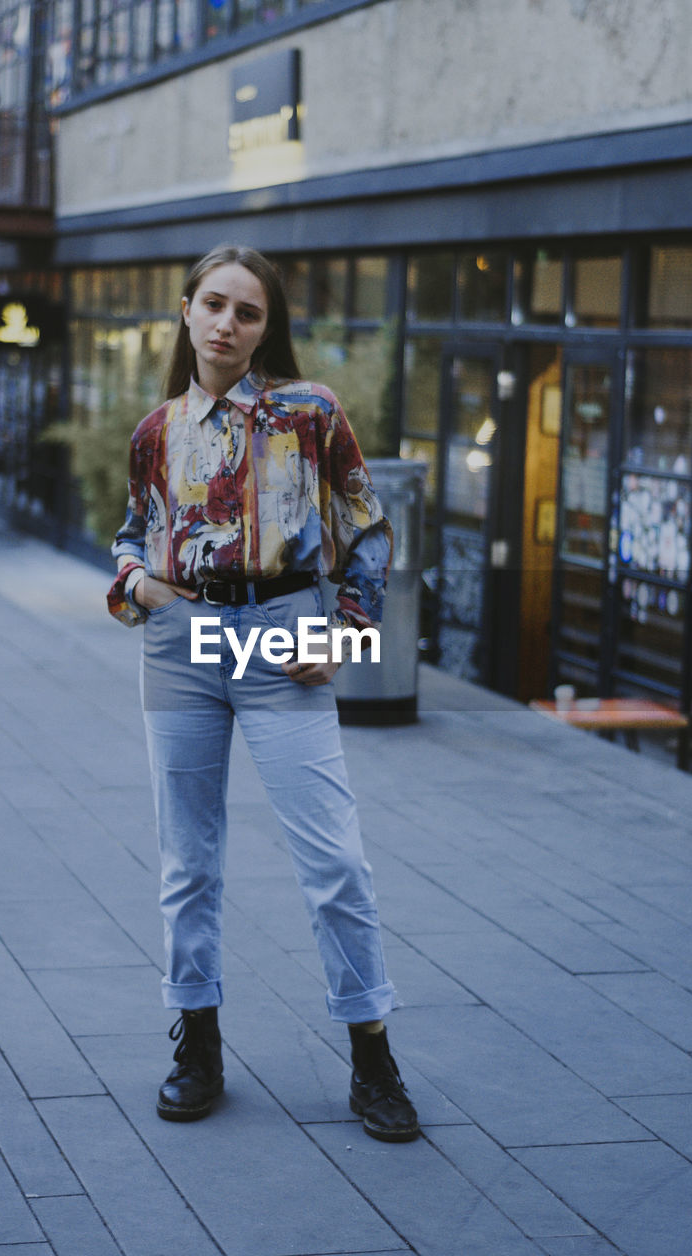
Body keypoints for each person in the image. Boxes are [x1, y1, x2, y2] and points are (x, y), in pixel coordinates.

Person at [107, 245, 419, 1143]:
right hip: (182, 648)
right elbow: (134, 532)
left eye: (247, 312)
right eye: (213, 305)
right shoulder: (157, 430)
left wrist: (345, 630)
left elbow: (366, 526)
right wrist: (141, 588)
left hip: (282, 636)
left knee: (335, 862)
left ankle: (371, 1054)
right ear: (185, 310)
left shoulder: (308, 414)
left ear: (264, 328)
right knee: (187, 859)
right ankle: (196, 1041)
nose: (227, 324)